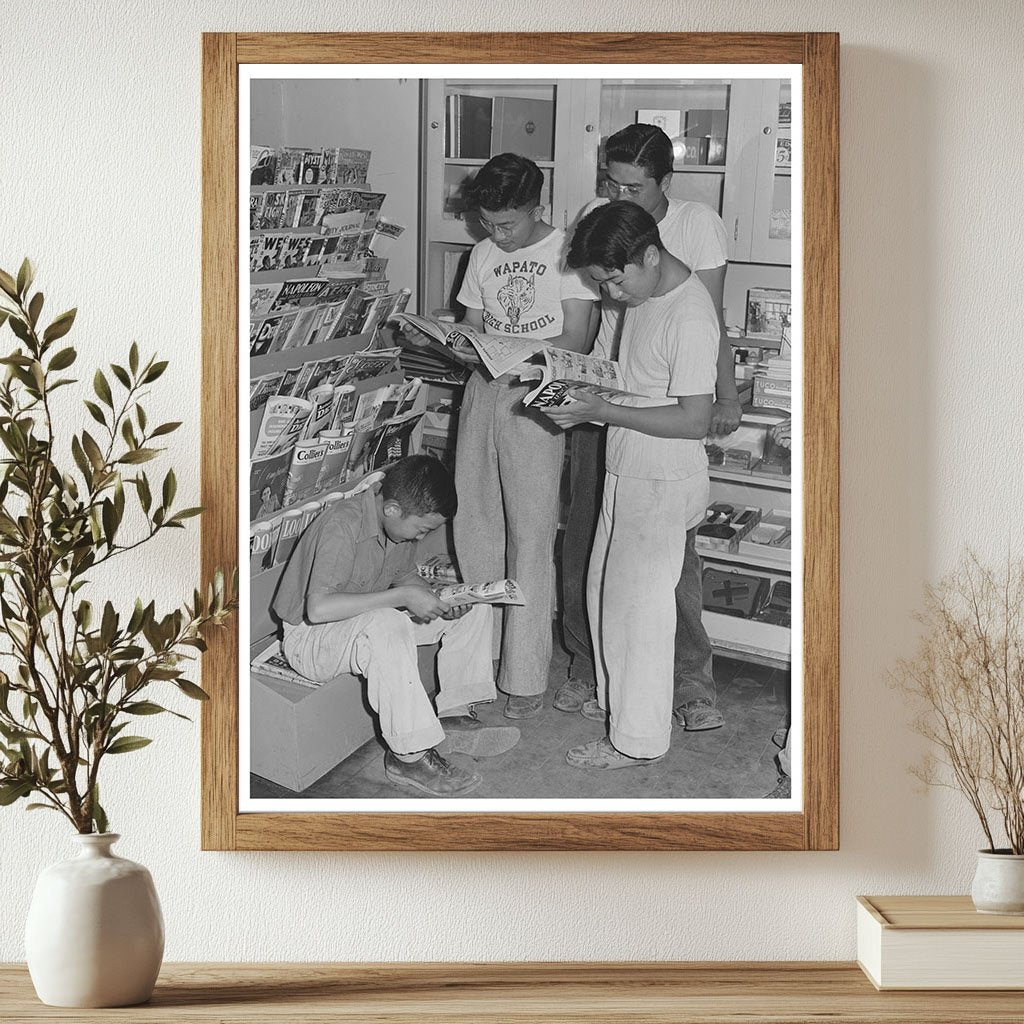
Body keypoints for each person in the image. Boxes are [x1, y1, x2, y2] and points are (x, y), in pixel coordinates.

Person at [555, 123, 737, 733]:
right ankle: (614, 703)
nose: (606, 293)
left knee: (644, 609)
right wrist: (587, 392)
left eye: (612, 280)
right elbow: (633, 372)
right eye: (611, 182)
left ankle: (642, 732)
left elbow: (690, 412)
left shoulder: (682, 306)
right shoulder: (642, 296)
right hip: (629, 460)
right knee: (613, 591)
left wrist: (601, 410)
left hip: (658, 469)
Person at [272, 455, 520, 797]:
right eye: (422, 529)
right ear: (391, 509)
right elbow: (318, 609)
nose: (423, 536)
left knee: (472, 609)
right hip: (312, 640)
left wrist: (439, 598)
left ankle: (455, 713)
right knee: (386, 622)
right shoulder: (342, 525)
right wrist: (404, 596)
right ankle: (408, 756)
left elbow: (404, 575)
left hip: (358, 626)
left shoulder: (394, 525)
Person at [451, 153, 597, 719]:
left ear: (535, 208)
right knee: (476, 526)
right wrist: (456, 339)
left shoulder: (567, 254)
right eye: (486, 222)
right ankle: (476, 664)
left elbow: (580, 338)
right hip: (483, 391)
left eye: (506, 223)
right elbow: (470, 325)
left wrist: (521, 353)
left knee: (531, 536)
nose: (495, 234)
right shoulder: (483, 253)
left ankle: (525, 674)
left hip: (537, 396)